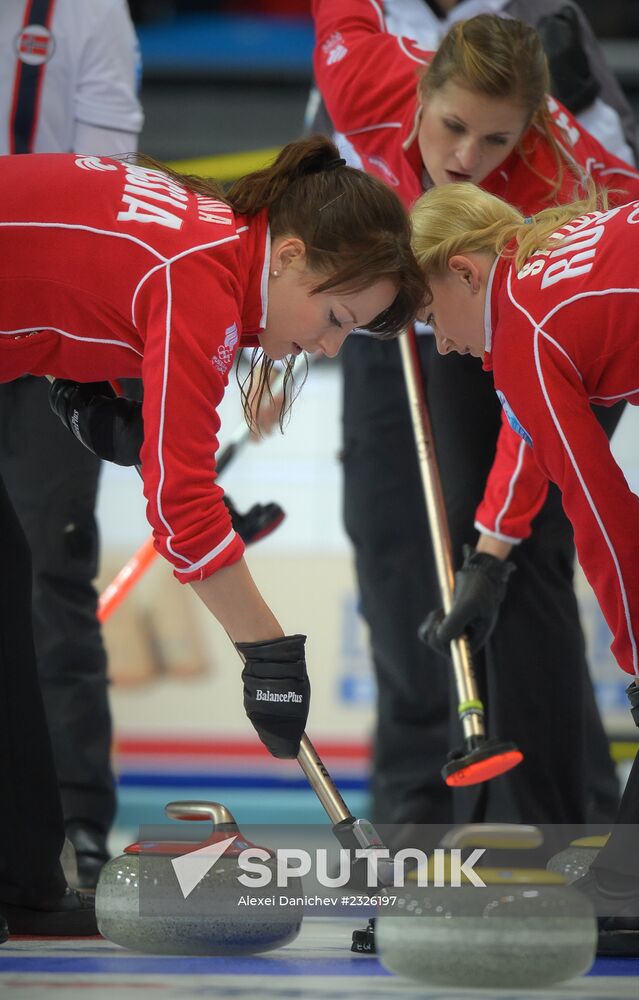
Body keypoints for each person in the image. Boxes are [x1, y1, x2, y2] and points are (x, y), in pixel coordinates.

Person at [0, 136, 427, 937]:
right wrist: (268, 653)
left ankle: (22, 880)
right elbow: (182, 508)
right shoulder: (200, 271)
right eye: (334, 317)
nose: (329, 347)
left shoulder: (217, 242)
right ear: (290, 254)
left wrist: (76, 387)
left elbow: (51, 253)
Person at [313, 0, 639, 836]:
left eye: (494, 140)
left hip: (551, 313)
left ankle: (552, 823)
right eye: (451, 128)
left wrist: (495, 545)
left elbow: (536, 417)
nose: (464, 159)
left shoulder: (554, 188)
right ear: (420, 90)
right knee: (396, 534)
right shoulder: (363, 76)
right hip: (426, 282)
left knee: (518, 544)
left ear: (530, 130)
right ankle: (421, 816)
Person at [410, 181, 639, 956]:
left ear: (465, 272)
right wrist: (488, 563)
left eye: (431, 316)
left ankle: (629, 884)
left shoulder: (525, 323)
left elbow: (605, 518)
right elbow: (528, 435)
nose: (439, 344)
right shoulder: (542, 267)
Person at [0, 0, 143, 889]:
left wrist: (88, 353)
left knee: (53, 565)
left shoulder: (89, 9)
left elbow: (107, 170)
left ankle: (72, 825)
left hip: (51, 311)